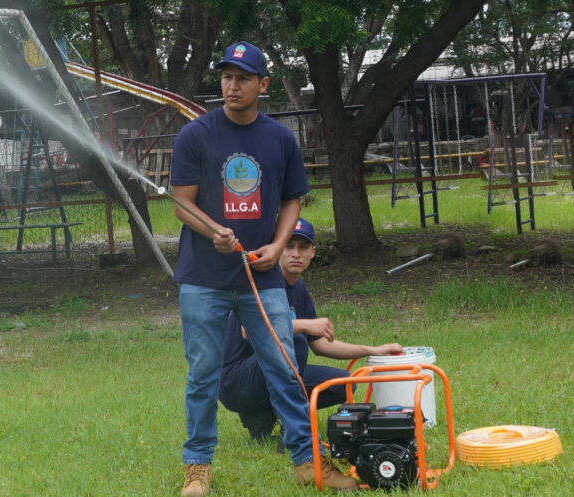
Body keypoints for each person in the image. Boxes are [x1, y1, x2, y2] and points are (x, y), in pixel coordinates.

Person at [170, 42, 357, 497]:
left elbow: (294, 198)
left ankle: (307, 462)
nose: (232, 86)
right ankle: (198, 469)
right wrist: (214, 231)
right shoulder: (196, 135)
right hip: (204, 279)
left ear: (263, 84)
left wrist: (276, 245)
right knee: (203, 373)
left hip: (264, 277)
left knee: (286, 369)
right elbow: (181, 202)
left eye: (243, 78)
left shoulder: (279, 139)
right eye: (226, 77)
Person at [219, 218, 404, 441]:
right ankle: (292, 425)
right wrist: (305, 325)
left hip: (278, 370)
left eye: (303, 247)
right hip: (237, 382)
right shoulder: (259, 281)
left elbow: (321, 345)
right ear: (277, 247)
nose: (295, 253)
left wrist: (374, 350)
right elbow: (249, 331)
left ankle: (262, 415)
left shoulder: (299, 290)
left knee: (344, 384)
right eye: (288, 245)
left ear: (312, 252)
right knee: (294, 341)